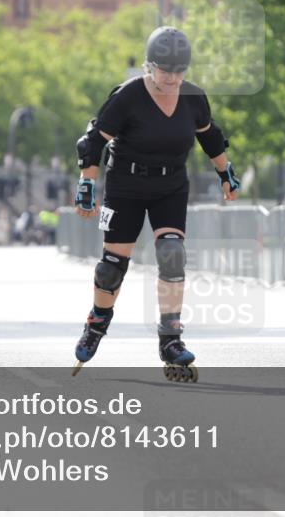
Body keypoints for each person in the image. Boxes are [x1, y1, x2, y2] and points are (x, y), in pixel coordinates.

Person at [71, 26, 241, 381]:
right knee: (111, 268)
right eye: (164, 70)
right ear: (149, 66)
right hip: (125, 185)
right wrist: (87, 183)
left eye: (179, 71)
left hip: (170, 184)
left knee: (172, 254)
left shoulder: (193, 97)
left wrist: (226, 173)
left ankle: (171, 339)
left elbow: (209, 136)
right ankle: (97, 322)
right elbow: (92, 141)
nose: (172, 78)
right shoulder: (129, 96)